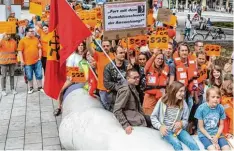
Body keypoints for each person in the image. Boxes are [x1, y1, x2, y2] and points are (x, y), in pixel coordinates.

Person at [151, 81, 200, 151]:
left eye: (184, 91)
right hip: (166, 131)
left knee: (193, 143)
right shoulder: (162, 101)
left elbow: (185, 120)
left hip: (178, 130)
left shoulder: (183, 103)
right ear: (174, 90)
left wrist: (181, 123)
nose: (183, 93)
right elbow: (153, 117)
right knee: (177, 143)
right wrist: (160, 126)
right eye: (181, 91)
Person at [113, 69, 151, 135]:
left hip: (136, 115)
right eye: (135, 78)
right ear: (128, 78)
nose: (138, 79)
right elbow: (117, 110)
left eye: (138, 77)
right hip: (131, 117)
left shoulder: (133, 86)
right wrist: (126, 125)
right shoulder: (126, 90)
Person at [53, 42, 87, 116]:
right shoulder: (73, 56)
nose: (80, 47)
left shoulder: (86, 55)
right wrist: (74, 76)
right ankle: (59, 107)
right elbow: (69, 70)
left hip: (85, 78)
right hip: (74, 78)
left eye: (82, 45)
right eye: (79, 45)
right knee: (60, 90)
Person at [87, 37, 115, 110]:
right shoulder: (98, 55)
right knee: (106, 109)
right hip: (103, 89)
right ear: (101, 47)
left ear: (110, 46)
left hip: (113, 88)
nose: (105, 47)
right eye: (104, 46)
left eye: (107, 46)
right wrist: (88, 38)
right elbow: (89, 48)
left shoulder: (114, 56)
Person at [143, 50, 173, 115]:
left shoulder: (166, 68)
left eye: (161, 59)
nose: (160, 60)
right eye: (158, 58)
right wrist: (154, 55)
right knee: (148, 114)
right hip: (150, 95)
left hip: (161, 94)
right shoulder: (149, 68)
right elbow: (147, 65)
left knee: (160, 114)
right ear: (154, 59)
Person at [17, 27, 44, 94]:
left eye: (33, 31)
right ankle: (31, 88)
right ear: (26, 32)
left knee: (39, 75)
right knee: (29, 76)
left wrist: (40, 57)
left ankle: (40, 87)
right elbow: (20, 51)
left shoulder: (36, 39)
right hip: (27, 62)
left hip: (37, 61)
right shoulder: (22, 40)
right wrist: (22, 61)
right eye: (31, 31)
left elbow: (39, 48)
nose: (32, 32)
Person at [104, 45, 129, 111]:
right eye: (120, 53)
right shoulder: (108, 67)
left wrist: (130, 71)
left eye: (123, 52)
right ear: (115, 54)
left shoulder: (128, 64)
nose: (123, 54)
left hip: (128, 96)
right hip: (115, 97)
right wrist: (119, 87)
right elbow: (106, 83)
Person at [220, 74, 233, 139]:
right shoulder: (222, 88)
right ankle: (229, 132)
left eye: (230, 83)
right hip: (225, 102)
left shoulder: (231, 85)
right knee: (230, 114)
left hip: (230, 100)